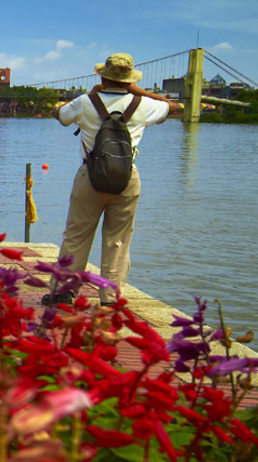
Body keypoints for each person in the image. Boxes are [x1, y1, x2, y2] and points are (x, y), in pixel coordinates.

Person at [46, 53, 175, 305]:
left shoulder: (85, 101)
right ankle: (109, 298)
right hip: (126, 178)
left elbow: (59, 115)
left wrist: (92, 94)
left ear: (102, 76)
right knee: (118, 239)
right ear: (130, 80)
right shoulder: (143, 105)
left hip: (89, 175)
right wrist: (141, 92)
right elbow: (171, 106)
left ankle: (63, 292)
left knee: (77, 234)